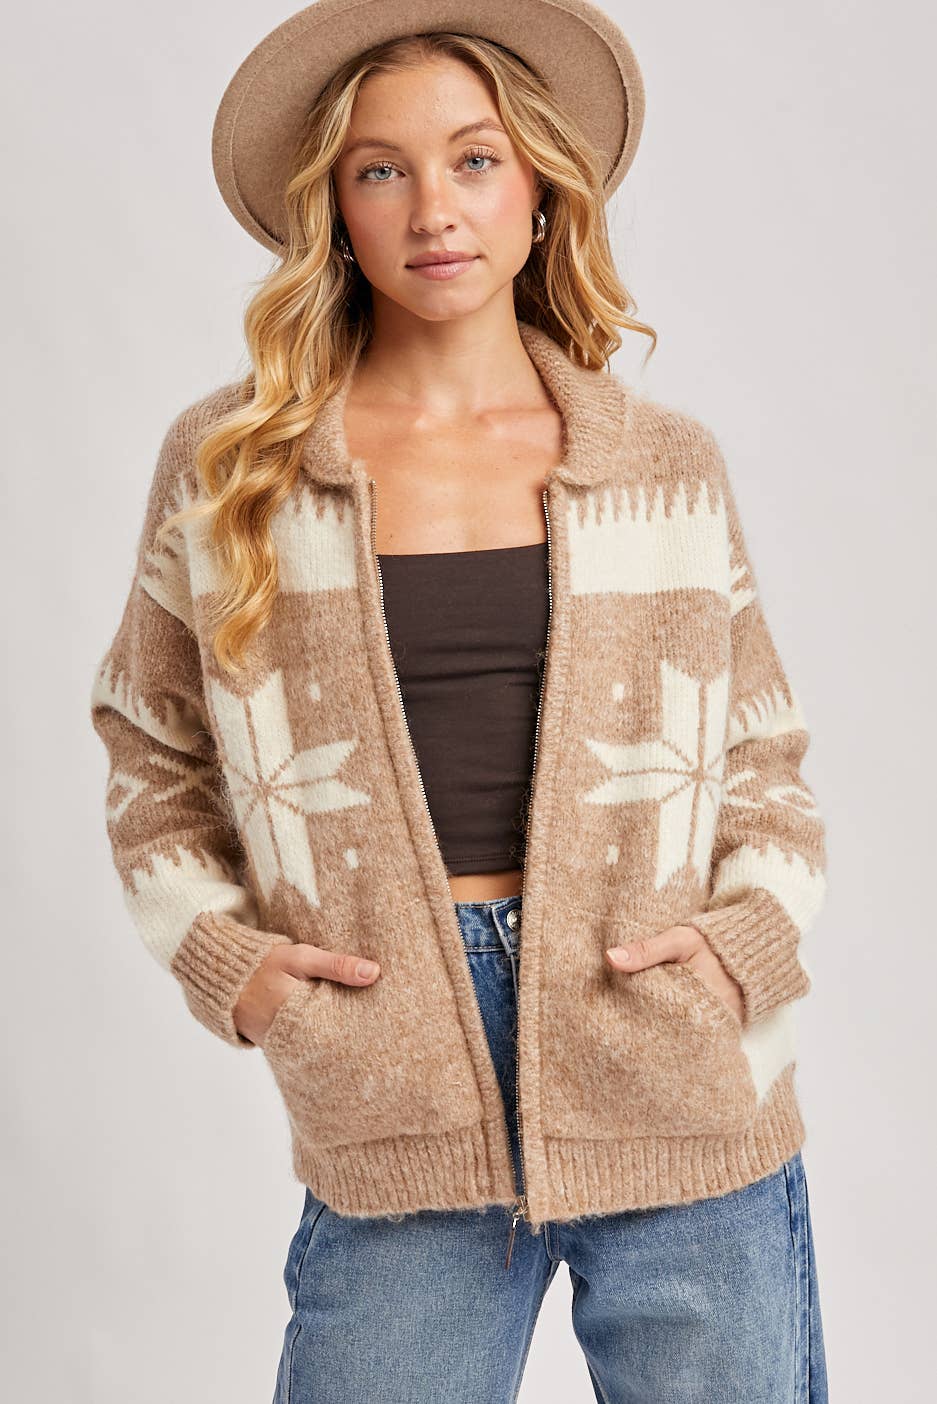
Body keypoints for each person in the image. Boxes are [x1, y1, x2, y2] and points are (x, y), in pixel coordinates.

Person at [89, 1, 830, 1398]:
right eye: (381, 170)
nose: (433, 208)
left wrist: (739, 950)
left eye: (475, 159)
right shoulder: (236, 466)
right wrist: (232, 964)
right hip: (388, 1067)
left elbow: (761, 754)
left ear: (541, 194)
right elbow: (152, 741)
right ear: (335, 212)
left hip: (669, 1049)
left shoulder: (660, 463)